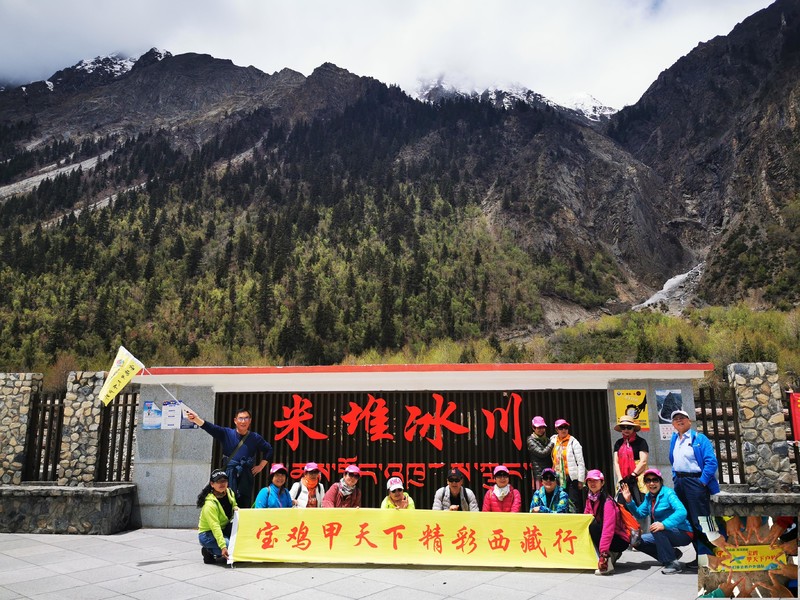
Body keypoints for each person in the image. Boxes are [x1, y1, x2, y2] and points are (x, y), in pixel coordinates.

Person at [185, 406, 273, 508]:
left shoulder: (255, 437)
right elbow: (210, 427)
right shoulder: (227, 433)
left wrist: (261, 466)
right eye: (240, 418)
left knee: (244, 502)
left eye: (246, 418)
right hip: (229, 474)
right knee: (227, 502)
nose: (243, 421)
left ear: (250, 421)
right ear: (235, 420)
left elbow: (269, 450)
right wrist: (196, 419)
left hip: (246, 475)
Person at [669, 409, 721, 565]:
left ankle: (711, 556)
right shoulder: (674, 439)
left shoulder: (699, 438)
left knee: (702, 520)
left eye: (682, 418)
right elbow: (673, 460)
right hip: (680, 482)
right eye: (676, 419)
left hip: (695, 482)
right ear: (673, 424)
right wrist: (675, 476)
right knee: (689, 521)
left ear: (689, 421)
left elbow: (711, 462)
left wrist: (702, 481)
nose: (679, 420)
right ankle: (700, 556)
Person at [621, 468, 693, 574]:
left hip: (683, 532)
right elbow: (640, 514)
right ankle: (672, 554)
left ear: (660, 481)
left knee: (656, 528)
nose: (652, 483)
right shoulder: (648, 496)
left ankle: (672, 563)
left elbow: (682, 511)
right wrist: (629, 501)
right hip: (663, 532)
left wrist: (664, 524)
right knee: (636, 541)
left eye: (655, 480)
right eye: (648, 480)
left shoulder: (668, 493)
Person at [584, 469, 630, 576]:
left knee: (594, 527)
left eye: (595, 480)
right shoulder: (590, 499)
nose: (592, 483)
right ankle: (608, 554)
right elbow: (585, 519)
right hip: (608, 537)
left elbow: (608, 529)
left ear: (602, 482)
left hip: (619, 539)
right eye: (589, 480)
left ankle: (608, 558)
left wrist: (603, 553)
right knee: (589, 525)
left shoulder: (607, 502)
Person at [196, 469, 238, 564]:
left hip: (224, 528)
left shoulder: (229, 492)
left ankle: (218, 548)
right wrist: (223, 546)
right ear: (212, 484)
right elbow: (215, 526)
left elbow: (234, 504)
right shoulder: (209, 504)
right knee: (230, 548)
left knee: (238, 544)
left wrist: (235, 508)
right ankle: (208, 551)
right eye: (219, 481)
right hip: (208, 534)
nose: (222, 484)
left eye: (224, 481)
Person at [613, 414, 649, 506]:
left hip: (638, 476)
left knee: (640, 502)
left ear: (633, 428)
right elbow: (616, 462)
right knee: (621, 503)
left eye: (629, 427)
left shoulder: (641, 442)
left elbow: (643, 461)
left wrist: (633, 475)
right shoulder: (618, 443)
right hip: (623, 477)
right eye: (623, 427)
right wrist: (620, 478)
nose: (626, 430)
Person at [551, 418, 586, 513]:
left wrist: (580, 480)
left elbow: (580, 462)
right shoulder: (553, 441)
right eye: (561, 428)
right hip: (557, 478)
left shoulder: (573, 442)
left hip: (571, 478)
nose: (564, 430)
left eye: (565, 427)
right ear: (556, 429)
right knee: (559, 502)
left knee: (572, 502)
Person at [527, 416, 554, 491]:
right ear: (533, 428)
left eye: (543, 427)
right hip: (539, 475)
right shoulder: (530, 440)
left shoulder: (547, 440)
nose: (541, 430)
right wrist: (552, 444)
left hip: (549, 473)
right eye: (539, 428)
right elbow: (542, 453)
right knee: (541, 494)